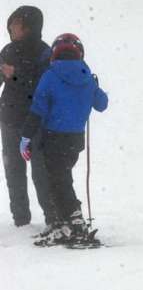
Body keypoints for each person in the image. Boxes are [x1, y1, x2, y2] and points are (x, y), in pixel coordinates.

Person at [20, 33, 108, 247]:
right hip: (75, 140)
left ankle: (73, 222)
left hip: (53, 137)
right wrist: (93, 86)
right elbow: (102, 104)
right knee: (61, 178)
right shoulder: (87, 77)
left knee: (57, 181)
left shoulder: (50, 76)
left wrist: (25, 136)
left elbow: (37, 109)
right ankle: (64, 222)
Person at [0, 6, 55, 228]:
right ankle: (21, 221)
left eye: (14, 23)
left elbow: (43, 88)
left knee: (41, 172)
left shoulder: (45, 53)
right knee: (14, 172)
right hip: (10, 119)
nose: (10, 27)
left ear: (27, 26)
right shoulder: (8, 50)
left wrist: (15, 75)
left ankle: (52, 218)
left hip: (36, 122)